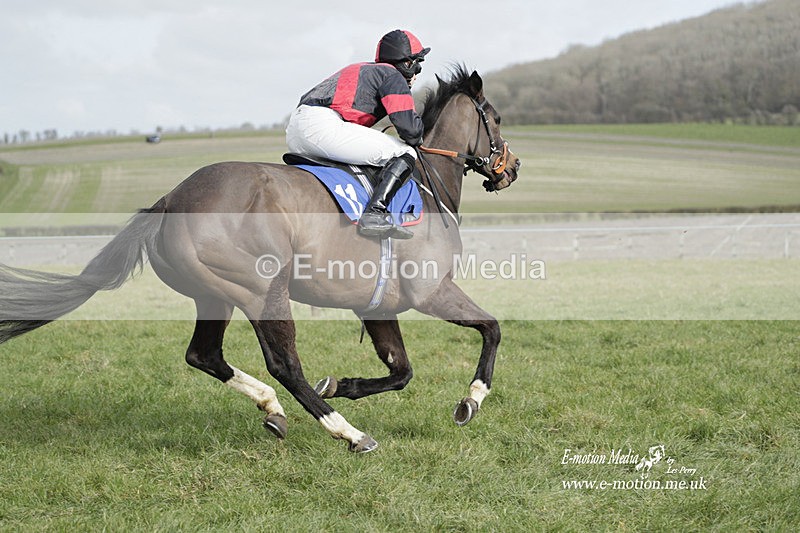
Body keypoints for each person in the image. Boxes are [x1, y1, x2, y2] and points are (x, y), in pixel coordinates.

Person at [286, 29, 430, 239]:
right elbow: (410, 131)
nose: (418, 71)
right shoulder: (393, 76)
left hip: (297, 129)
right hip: (322, 126)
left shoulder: (363, 68)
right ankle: (375, 213)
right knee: (405, 153)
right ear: (407, 64)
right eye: (418, 63)